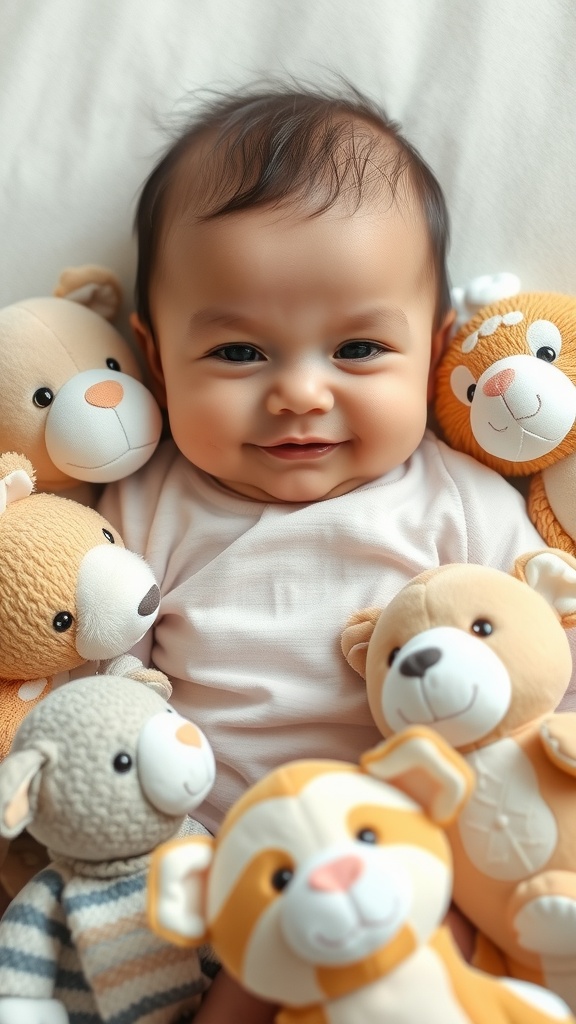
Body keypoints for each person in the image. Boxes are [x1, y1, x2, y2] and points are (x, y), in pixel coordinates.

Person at [100, 84, 563, 1021]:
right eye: (238, 354)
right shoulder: (146, 508)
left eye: (357, 347)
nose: (301, 393)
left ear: (435, 352)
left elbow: (542, 661)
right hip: (224, 874)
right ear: (153, 359)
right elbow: (107, 688)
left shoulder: (460, 503)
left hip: (428, 863)